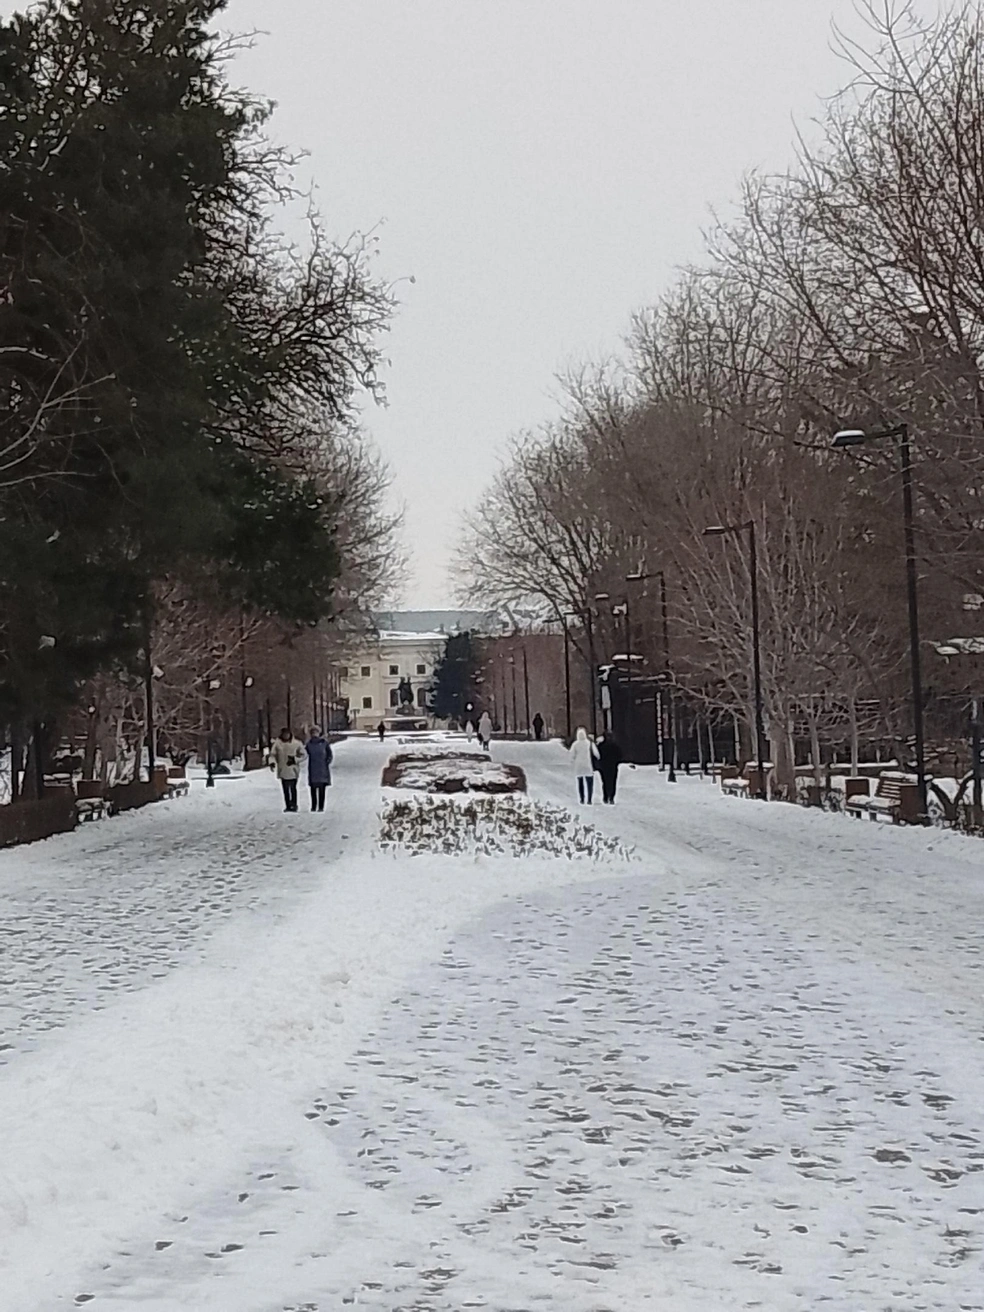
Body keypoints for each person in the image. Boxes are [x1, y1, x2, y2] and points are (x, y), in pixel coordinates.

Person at [270, 727, 305, 812]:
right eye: (284, 734)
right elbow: (272, 755)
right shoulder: (277, 744)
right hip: (282, 769)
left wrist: (295, 759)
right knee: (285, 788)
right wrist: (272, 763)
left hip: (293, 769)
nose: (286, 736)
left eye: (287, 734)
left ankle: (294, 804)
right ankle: (288, 805)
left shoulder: (297, 743)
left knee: (293, 788)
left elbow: (304, 755)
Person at [305, 726, 333, 812]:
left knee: (322, 789)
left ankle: (321, 806)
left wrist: (327, 761)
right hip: (313, 768)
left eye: (316, 732)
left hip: (322, 768)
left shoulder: (324, 743)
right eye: (313, 733)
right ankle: (313, 806)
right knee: (313, 788)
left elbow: (329, 754)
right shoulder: (309, 744)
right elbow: (304, 754)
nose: (314, 734)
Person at [569, 726, 599, 803]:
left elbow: (571, 755)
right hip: (588, 764)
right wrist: (598, 758)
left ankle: (582, 799)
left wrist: (572, 761)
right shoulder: (589, 743)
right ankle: (589, 799)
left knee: (580, 783)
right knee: (590, 782)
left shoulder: (575, 744)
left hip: (579, 765)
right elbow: (596, 754)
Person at [595, 731, 623, 804]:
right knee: (612, 782)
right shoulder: (615, 746)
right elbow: (620, 756)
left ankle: (606, 796)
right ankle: (611, 797)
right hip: (612, 766)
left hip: (604, 766)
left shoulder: (601, 746)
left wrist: (598, 764)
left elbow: (597, 756)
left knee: (605, 782)